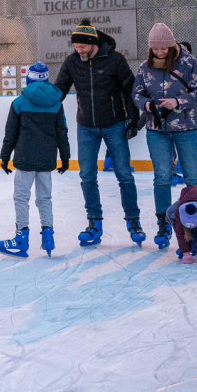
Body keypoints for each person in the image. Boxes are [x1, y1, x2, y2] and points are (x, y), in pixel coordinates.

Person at [54, 18, 144, 248]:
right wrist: (40, 105)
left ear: (93, 43)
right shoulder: (73, 62)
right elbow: (59, 91)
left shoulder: (115, 59)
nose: (79, 50)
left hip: (114, 124)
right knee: (87, 175)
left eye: (82, 46)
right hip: (86, 126)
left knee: (124, 174)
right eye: (76, 47)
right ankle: (94, 223)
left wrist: (133, 118)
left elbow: (129, 90)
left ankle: (133, 221)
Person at [132, 24, 197, 250]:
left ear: (172, 45)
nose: (160, 52)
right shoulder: (145, 67)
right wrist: (145, 104)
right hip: (157, 131)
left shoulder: (188, 63)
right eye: (156, 49)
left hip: (187, 129)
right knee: (162, 177)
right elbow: (136, 92)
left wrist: (178, 102)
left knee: (193, 178)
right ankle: (164, 224)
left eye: (164, 48)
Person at [0, 62, 71, 258]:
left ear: (28, 79)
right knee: (44, 198)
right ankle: (48, 236)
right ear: (46, 80)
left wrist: (4, 156)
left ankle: (21, 237)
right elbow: (62, 132)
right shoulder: (56, 104)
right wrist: (65, 157)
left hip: (25, 158)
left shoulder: (19, 103)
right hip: (46, 159)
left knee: (21, 197)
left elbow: (10, 133)